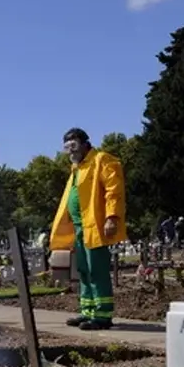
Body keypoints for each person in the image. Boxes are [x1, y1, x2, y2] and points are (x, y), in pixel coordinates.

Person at [49, 128, 127, 330]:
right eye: (66, 147)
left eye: (73, 146)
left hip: (95, 226)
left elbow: (114, 191)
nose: (70, 151)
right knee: (83, 270)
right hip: (78, 228)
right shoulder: (77, 168)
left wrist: (111, 217)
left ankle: (102, 315)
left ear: (85, 144)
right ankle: (88, 311)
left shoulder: (102, 160)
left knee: (97, 269)